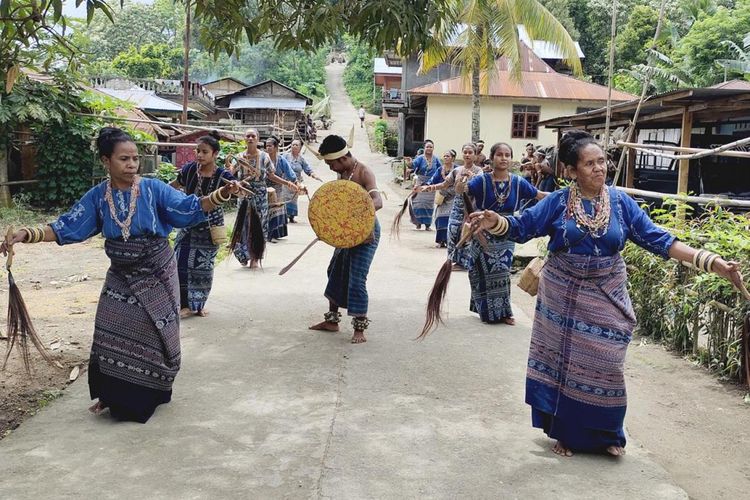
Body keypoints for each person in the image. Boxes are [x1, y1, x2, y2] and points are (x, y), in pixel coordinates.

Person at [468, 129, 744, 457]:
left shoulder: (621, 203)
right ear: (571, 171)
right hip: (563, 294)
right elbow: (522, 227)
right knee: (566, 365)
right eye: (589, 164)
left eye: (602, 162)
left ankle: (608, 432)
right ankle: (566, 434)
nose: (599, 168)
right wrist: (494, 220)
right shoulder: (558, 203)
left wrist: (713, 263)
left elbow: (659, 239)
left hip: (607, 291)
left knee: (607, 361)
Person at [0, 127, 241, 423]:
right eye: (124, 159)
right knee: (109, 326)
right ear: (106, 161)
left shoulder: (154, 189)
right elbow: (67, 226)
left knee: (155, 331)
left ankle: (153, 390)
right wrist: (27, 234)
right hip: (121, 273)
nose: (131, 165)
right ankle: (113, 394)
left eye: (135, 159)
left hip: (157, 271)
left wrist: (221, 194)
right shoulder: (98, 197)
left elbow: (188, 207)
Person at [456, 142, 546, 325]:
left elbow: (539, 195)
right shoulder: (481, 181)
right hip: (482, 231)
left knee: (502, 272)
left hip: (506, 232)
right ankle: (485, 310)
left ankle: (504, 312)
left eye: (507, 155)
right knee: (480, 271)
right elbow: (461, 191)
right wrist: (461, 182)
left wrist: (564, 197)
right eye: (499, 154)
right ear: (492, 157)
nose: (504, 158)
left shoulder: (519, 182)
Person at [309, 134, 383, 344]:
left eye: (331, 163)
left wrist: (354, 215)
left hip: (366, 233)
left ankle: (359, 328)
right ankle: (332, 321)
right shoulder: (343, 174)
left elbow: (377, 202)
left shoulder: (363, 171)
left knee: (356, 279)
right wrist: (328, 226)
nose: (330, 168)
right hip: (345, 232)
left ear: (342, 159)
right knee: (335, 271)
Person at [170, 134, 235, 319]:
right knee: (180, 263)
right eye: (198, 151)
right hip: (188, 225)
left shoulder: (223, 176)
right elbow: (173, 186)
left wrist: (234, 188)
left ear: (215, 154)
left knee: (202, 268)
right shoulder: (189, 170)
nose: (199, 155)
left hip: (210, 229)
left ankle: (197, 305)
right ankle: (183, 304)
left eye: (204, 152)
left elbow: (234, 188)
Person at [229, 128, 297, 268]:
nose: (250, 138)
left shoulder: (264, 157)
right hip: (244, 195)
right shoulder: (239, 157)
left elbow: (271, 175)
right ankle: (243, 255)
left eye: (253, 136)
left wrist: (287, 183)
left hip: (260, 196)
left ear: (258, 139)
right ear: (244, 138)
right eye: (247, 136)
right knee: (243, 225)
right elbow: (231, 175)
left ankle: (255, 257)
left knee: (259, 226)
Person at [420, 143, 483, 269]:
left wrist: (473, 178)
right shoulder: (457, 171)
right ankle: (453, 260)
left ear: (475, 156)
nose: (467, 155)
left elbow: (482, 185)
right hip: (456, 206)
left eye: (470, 152)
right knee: (452, 232)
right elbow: (444, 184)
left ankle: (464, 263)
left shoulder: (478, 171)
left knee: (466, 233)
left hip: (470, 208)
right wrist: (428, 187)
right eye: (465, 152)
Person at [418, 149, 457, 247]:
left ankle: (449, 241)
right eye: (444, 156)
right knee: (439, 217)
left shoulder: (457, 169)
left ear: (453, 158)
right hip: (442, 197)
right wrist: (425, 186)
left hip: (453, 197)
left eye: (448, 156)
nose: (445, 158)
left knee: (450, 219)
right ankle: (440, 241)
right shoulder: (440, 169)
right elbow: (432, 180)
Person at [265, 135, 296, 241]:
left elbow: (291, 175)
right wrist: (287, 183)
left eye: (270, 146)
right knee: (265, 211)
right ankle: (266, 235)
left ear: (276, 147)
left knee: (275, 210)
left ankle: (273, 234)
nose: (268, 148)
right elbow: (269, 175)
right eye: (267, 146)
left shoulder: (281, 160)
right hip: (264, 188)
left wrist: (296, 184)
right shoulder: (263, 158)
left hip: (277, 189)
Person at [284, 139, 322, 222]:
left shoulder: (301, 159)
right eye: (293, 144)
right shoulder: (285, 156)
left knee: (293, 199)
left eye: (296, 145)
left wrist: (314, 175)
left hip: (296, 182)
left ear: (300, 147)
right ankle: (284, 216)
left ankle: (291, 217)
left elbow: (307, 169)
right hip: (286, 181)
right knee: (285, 198)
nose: (294, 146)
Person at [408, 139, 441, 230]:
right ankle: (417, 223)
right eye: (427, 147)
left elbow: (440, 170)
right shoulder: (420, 158)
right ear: (424, 148)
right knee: (418, 203)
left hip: (430, 184)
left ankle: (427, 225)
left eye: (431, 147)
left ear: (433, 148)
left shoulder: (436, 159)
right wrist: (410, 163)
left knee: (428, 204)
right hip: (420, 183)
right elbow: (413, 166)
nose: (429, 148)